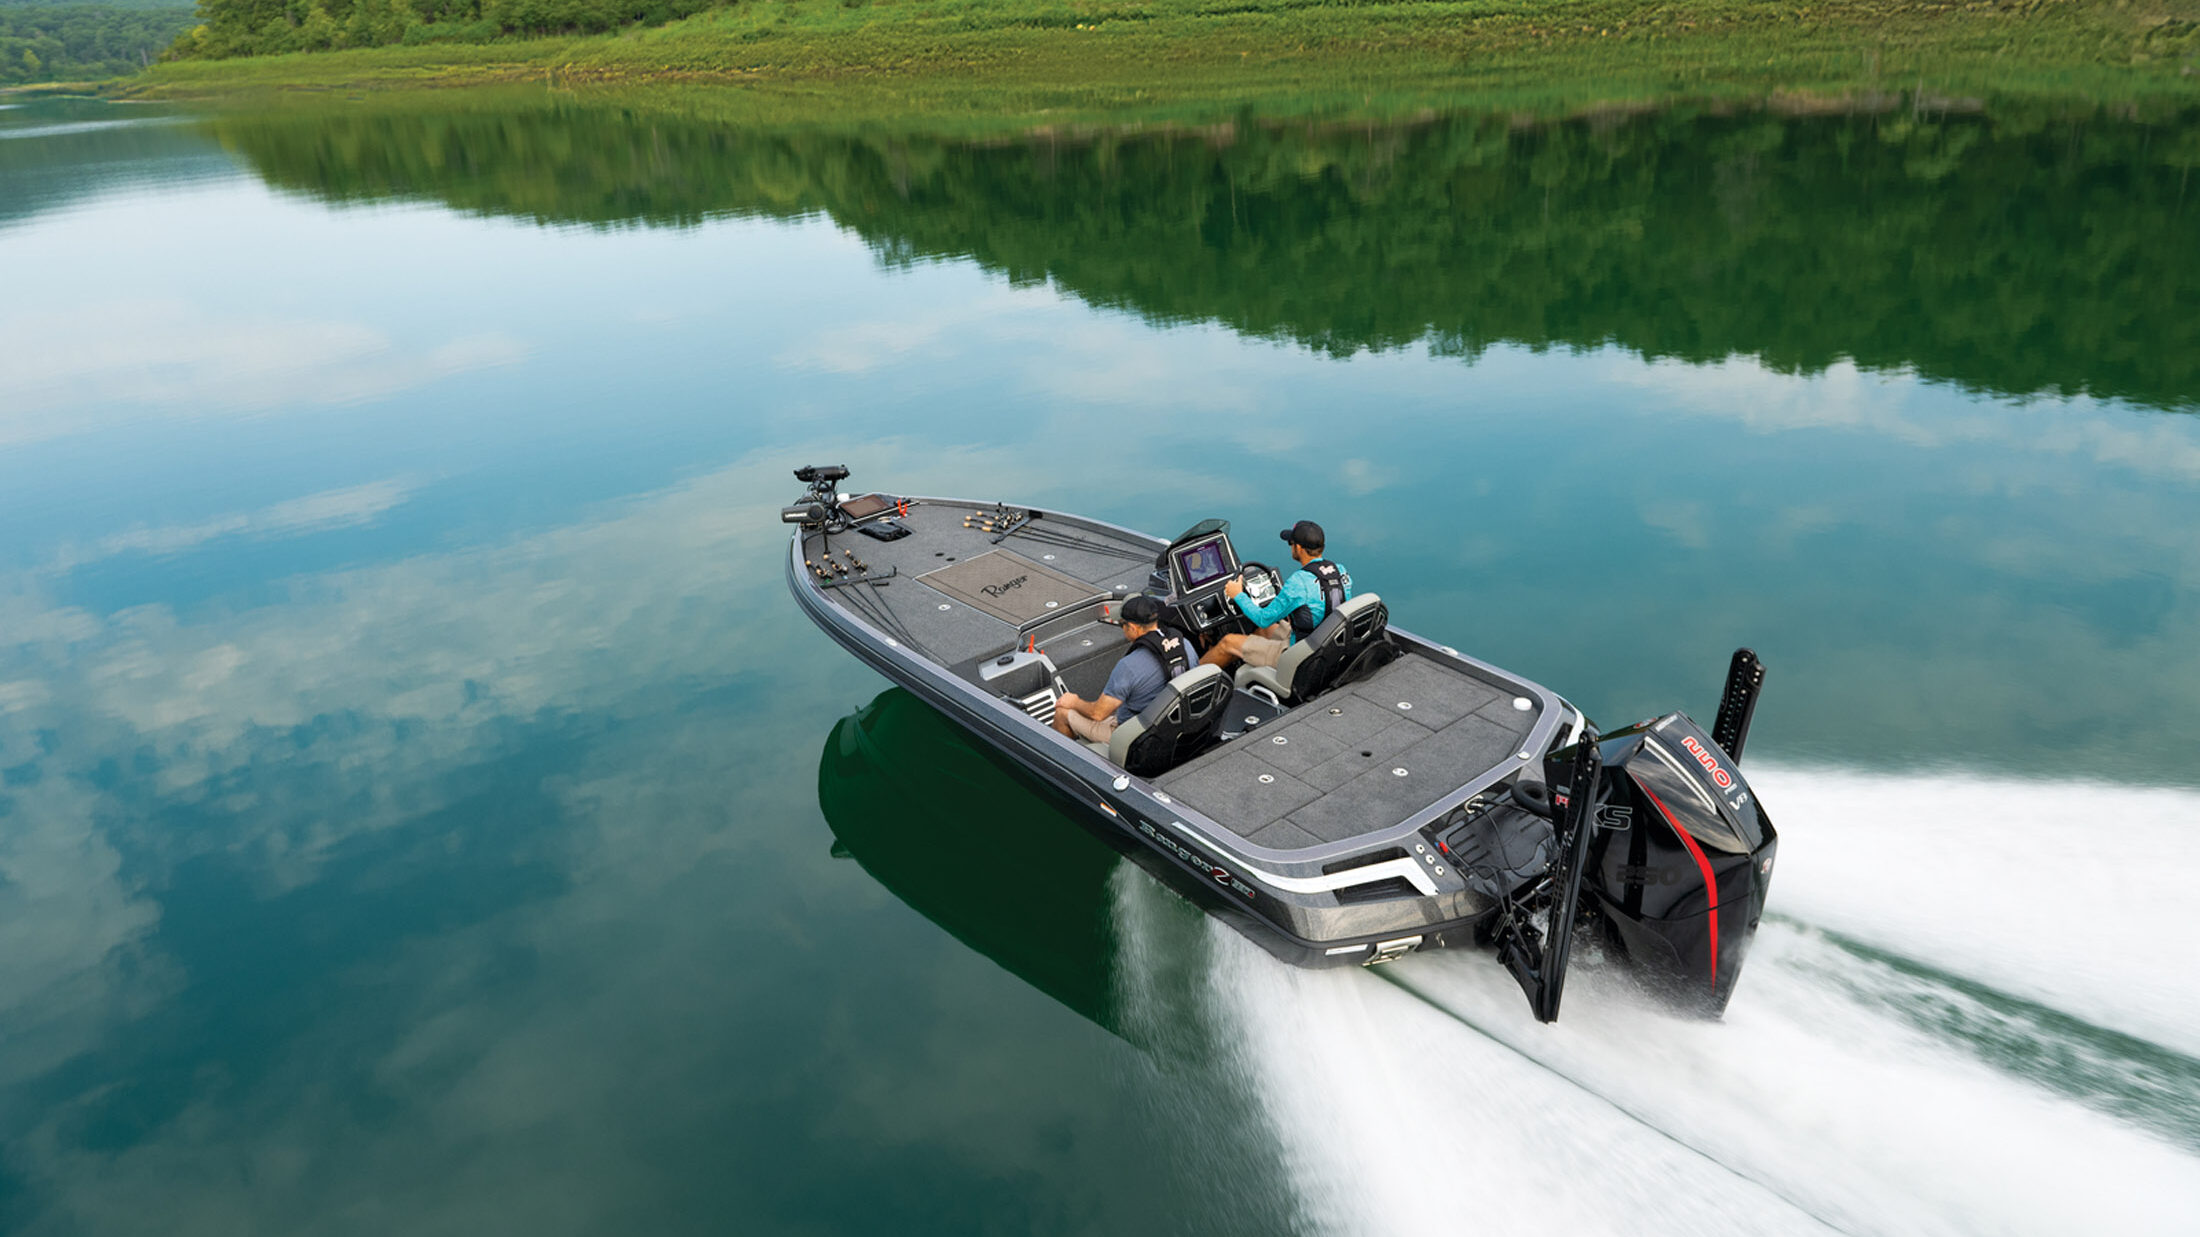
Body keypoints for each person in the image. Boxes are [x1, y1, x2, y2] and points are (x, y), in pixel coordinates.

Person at [1201, 520, 1352, 671]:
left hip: (1301, 656)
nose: (1291, 547)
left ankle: (1187, 682)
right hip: (1328, 642)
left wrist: (1238, 594)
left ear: (1298, 548)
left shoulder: (1298, 582)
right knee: (1265, 631)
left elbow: (1263, 619)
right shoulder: (1340, 571)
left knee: (1228, 643)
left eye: (1291, 544)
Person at [1052, 594, 1195, 748]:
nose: (1122, 629)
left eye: (1122, 625)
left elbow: (1098, 714)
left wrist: (1074, 701)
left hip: (1136, 736)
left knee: (1062, 713)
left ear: (1133, 627)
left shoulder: (1128, 666)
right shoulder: (1185, 644)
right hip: (1177, 723)